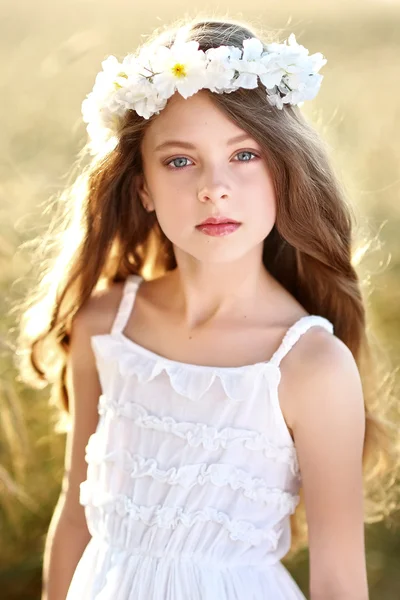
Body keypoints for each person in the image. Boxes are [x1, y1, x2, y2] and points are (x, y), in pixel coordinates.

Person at [14, 15, 399, 600]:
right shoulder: (106, 326)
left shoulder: (309, 364)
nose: (213, 188)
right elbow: (75, 513)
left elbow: (340, 581)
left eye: (244, 155)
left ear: (284, 171)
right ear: (141, 186)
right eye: (178, 160)